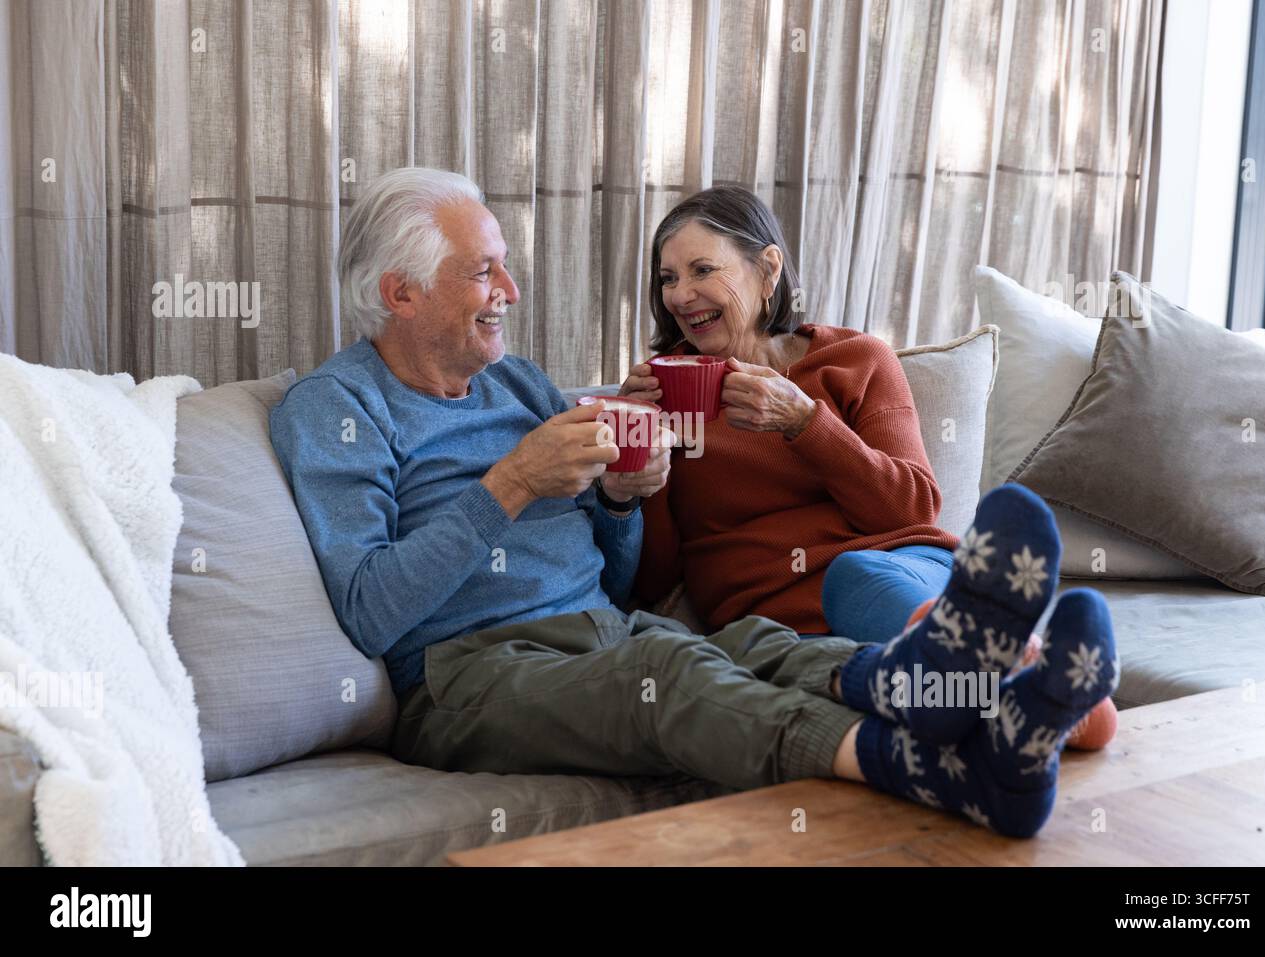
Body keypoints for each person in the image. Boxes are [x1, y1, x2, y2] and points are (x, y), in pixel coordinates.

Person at [269, 167, 1117, 839]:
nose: (511, 290)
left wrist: (625, 500)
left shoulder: (519, 385)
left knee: (760, 647)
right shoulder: (335, 409)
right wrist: (515, 480)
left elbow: (619, 573)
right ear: (401, 292)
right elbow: (372, 612)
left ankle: (964, 705)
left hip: (605, 629)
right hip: (470, 673)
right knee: (671, 671)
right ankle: (939, 766)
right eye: (484, 270)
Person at [623, 185, 1117, 749]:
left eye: (702, 270)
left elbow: (912, 506)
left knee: (855, 578)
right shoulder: (664, 396)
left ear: (768, 270)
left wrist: (805, 423)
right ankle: (1033, 692)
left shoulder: (855, 359)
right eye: (667, 278)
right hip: (783, 632)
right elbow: (654, 579)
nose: (680, 295)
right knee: (875, 695)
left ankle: (1008, 670)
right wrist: (635, 452)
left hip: (899, 571)